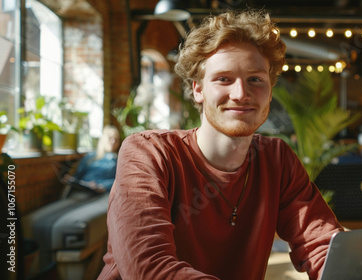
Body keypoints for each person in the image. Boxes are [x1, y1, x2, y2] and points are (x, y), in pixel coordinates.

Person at [97, 9, 343, 280]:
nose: (240, 94)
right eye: (224, 79)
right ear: (198, 89)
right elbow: (149, 268)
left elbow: (323, 247)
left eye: (255, 80)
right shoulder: (149, 153)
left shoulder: (277, 159)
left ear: (270, 91)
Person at [62, 125, 120, 192]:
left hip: (101, 193)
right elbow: (77, 175)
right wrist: (70, 179)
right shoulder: (90, 156)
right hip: (82, 189)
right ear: (103, 139)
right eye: (110, 138)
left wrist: (103, 186)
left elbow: (120, 181)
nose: (113, 142)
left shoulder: (118, 160)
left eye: (116, 139)